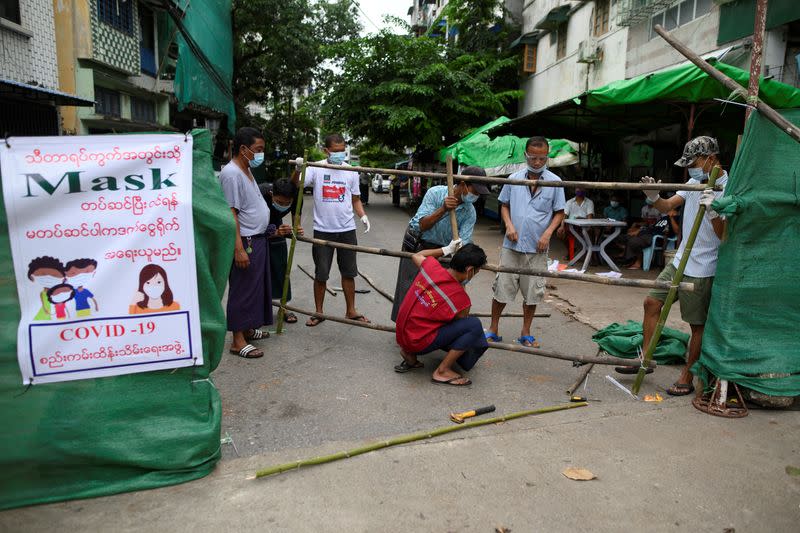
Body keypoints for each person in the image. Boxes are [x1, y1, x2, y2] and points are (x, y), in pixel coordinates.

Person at [616, 136, 728, 396]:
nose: (690, 169)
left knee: (696, 324)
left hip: (704, 265)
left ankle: (687, 374)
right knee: (651, 302)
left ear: (711, 159)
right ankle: (646, 358)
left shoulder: (728, 186)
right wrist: (653, 197)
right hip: (681, 258)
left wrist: (713, 211)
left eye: (695, 163)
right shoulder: (693, 182)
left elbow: (724, 234)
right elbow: (667, 205)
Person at [486, 136, 566, 348]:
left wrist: (548, 233)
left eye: (542, 158)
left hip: (537, 247)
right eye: (533, 158)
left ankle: (526, 332)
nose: (537, 162)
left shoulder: (555, 182)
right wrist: (509, 225)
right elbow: (504, 205)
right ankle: (493, 328)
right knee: (502, 287)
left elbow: (559, 213)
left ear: (547, 157)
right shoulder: (514, 178)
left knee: (532, 292)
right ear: (526, 155)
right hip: (512, 245)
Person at [390, 166, 490, 321]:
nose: (476, 195)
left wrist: (463, 273)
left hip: (443, 251)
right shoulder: (436, 193)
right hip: (418, 243)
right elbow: (422, 225)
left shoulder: (470, 212)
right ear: (463, 184)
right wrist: (443, 209)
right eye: (474, 191)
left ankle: (425, 328)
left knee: (433, 294)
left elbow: (463, 243)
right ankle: (403, 326)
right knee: (409, 287)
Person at [394, 241, 488, 386]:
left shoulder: (431, 267)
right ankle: (442, 371)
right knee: (474, 326)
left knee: (425, 314)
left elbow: (418, 255)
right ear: (470, 270)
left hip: (401, 334)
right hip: (416, 342)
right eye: (477, 271)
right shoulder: (461, 299)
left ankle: (409, 354)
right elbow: (460, 323)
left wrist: (445, 249)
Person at [303, 133, 370, 326]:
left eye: (342, 151)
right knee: (321, 273)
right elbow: (299, 183)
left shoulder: (351, 171)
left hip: (347, 229)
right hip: (323, 229)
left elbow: (355, 198)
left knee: (349, 272)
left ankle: (351, 310)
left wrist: (363, 216)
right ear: (326, 151)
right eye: (336, 151)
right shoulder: (316, 167)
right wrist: (300, 167)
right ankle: (319, 312)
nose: (340, 155)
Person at [219, 127, 272, 358]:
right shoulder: (231, 174)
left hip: (257, 238)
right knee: (243, 289)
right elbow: (231, 213)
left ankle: (249, 328)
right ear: (243, 149)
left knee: (255, 289)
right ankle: (237, 341)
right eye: (258, 150)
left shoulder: (246, 170)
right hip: (246, 241)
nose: (261, 154)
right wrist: (238, 248)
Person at [262, 178, 304, 324]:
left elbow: (296, 222)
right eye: (280, 202)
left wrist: (296, 229)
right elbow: (252, 224)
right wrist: (272, 232)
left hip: (277, 226)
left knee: (281, 270)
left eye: (287, 203)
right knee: (261, 272)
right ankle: (261, 307)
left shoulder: (296, 198)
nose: (284, 206)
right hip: (258, 229)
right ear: (272, 194)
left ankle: (283, 306)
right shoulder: (261, 194)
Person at [27, 256, 65, 321]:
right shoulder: (42, 293)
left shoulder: (60, 293)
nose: (48, 277)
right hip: (45, 312)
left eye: (54, 275)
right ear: (32, 277)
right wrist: (45, 309)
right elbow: (42, 302)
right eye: (42, 274)